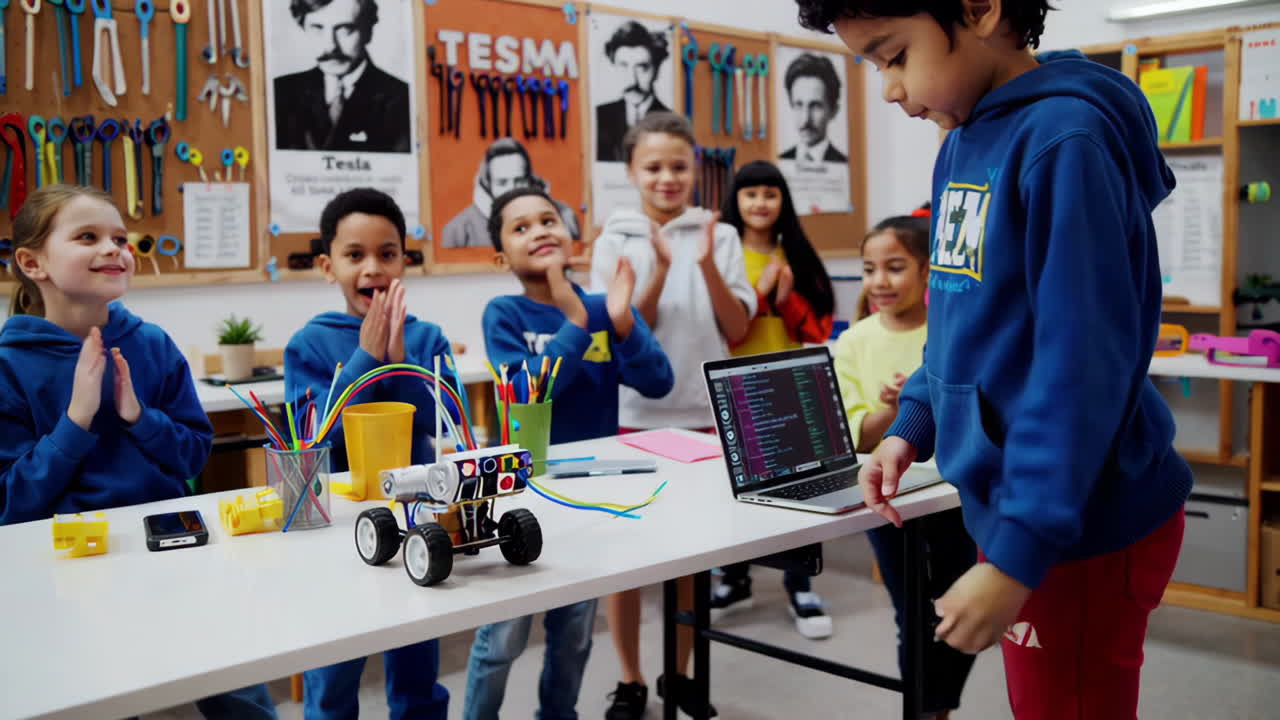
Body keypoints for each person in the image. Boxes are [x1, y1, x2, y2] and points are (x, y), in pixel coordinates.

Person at [796, 1, 1192, 717]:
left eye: (893, 57)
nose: (889, 89)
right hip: (1020, 506)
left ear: (979, 10)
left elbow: (1080, 369)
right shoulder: (964, 137)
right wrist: (912, 424)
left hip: (1079, 516)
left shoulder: (1066, 139)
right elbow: (957, 323)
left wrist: (1017, 553)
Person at [0, 185, 277, 719]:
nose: (114, 249)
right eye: (88, 237)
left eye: (120, 239)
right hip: (69, 573)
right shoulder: (11, 366)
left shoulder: (152, 345)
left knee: (236, 678)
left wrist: (139, 418)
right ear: (33, 262)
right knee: (94, 695)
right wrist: (76, 422)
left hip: (175, 551)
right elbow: (10, 505)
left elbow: (194, 456)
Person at [463, 187, 673, 720]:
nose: (539, 231)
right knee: (502, 639)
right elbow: (527, 392)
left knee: (575, 634)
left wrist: (622, 324)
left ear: (571, 236)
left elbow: (659, 382)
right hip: (515, 496)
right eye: (521, 227)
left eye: (549, 219)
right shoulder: (503, 314)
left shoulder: (607, 308)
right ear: (500, 257)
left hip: (586, 497)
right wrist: (576, 324)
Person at [589, 111, 756, 720]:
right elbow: (630, 333)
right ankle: (630, 679)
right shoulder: (616, 238)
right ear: (633, 172)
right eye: (653, 167)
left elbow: (736, 330)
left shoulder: (722, 234)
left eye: (678, 166)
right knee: (628, 557)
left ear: (696, 171)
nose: (667, 178)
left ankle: (678, 676)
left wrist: (706, 261)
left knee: (695, 555)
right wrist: (657, 269)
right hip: (635, 419)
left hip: (708, 419)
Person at [285, 188, 455, 719]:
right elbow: (313, 441)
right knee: (333, 676)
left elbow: (442, 426)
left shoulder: (427, 337)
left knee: (418, 668)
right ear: (326, 265)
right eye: (354, 255)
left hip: (414, 522)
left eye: (387, 253)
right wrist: (366, 357)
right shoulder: (309, 344)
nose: (372, 268)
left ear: (405, 260)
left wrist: (401, 363)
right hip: (340, 526)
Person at [834, 209, 976, 719]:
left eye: (894, 267)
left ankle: (938, 705)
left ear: (927, 273)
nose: (879, 281)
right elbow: (855, 433)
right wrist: (897, 410)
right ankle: (925, 711)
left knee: (960, 606)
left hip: (957, 492)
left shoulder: (950, 331)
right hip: (889, 495)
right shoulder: (853, 341)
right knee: (911, 613)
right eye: (869, 269)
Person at [709, 161, 837, 639]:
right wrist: (761, 298)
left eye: (770, 193)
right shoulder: (723, 255)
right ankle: (735, 578)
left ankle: (801, 583)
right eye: (750, 194)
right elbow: (724, 332)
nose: (760, 203)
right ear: (735, 202)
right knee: (732, 494)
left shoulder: (796, 255)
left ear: (783, 201)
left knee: (798, 493)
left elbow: (818, 328)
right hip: (734, 387)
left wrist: (783, 300)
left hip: (788, 383)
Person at [274, 0, 411, 152]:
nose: (330, 46)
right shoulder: (280, 92)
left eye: (345, 29)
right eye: (317, 28)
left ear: (368, 31)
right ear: (303, 28)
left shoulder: (402, 98)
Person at [442, 138, 581, 249]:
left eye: (519, 180)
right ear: (488, 185)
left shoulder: (564, 217)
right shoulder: (458, 230)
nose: (512, 190)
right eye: (502, 183)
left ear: (530, 179)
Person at [595, 21, 672, 163]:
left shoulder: (671, 121)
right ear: (613, 67)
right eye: (623, 66)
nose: (632, 80)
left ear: (656, 69)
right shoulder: (599, 116)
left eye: (642, 67)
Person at [779, 53, 847, 163]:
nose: (806, 119)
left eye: (815, 106)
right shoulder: (780, 161)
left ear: (834, 110)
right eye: (799, 105)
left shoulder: (844, 164)